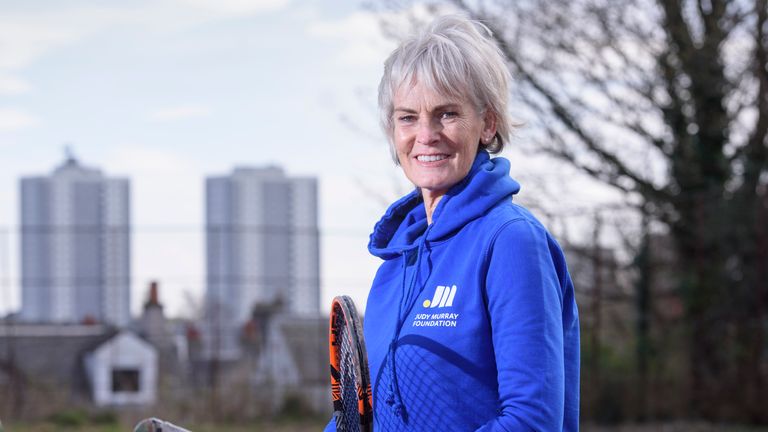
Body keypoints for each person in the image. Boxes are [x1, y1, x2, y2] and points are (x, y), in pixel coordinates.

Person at [326, 14, 579, 431]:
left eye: (447, 114)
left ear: (488, 123)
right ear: (393, 131)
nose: (426, 134)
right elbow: (369, 417)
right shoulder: (394, 266)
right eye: (408, 117)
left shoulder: (512, 242)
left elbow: (531, 421)